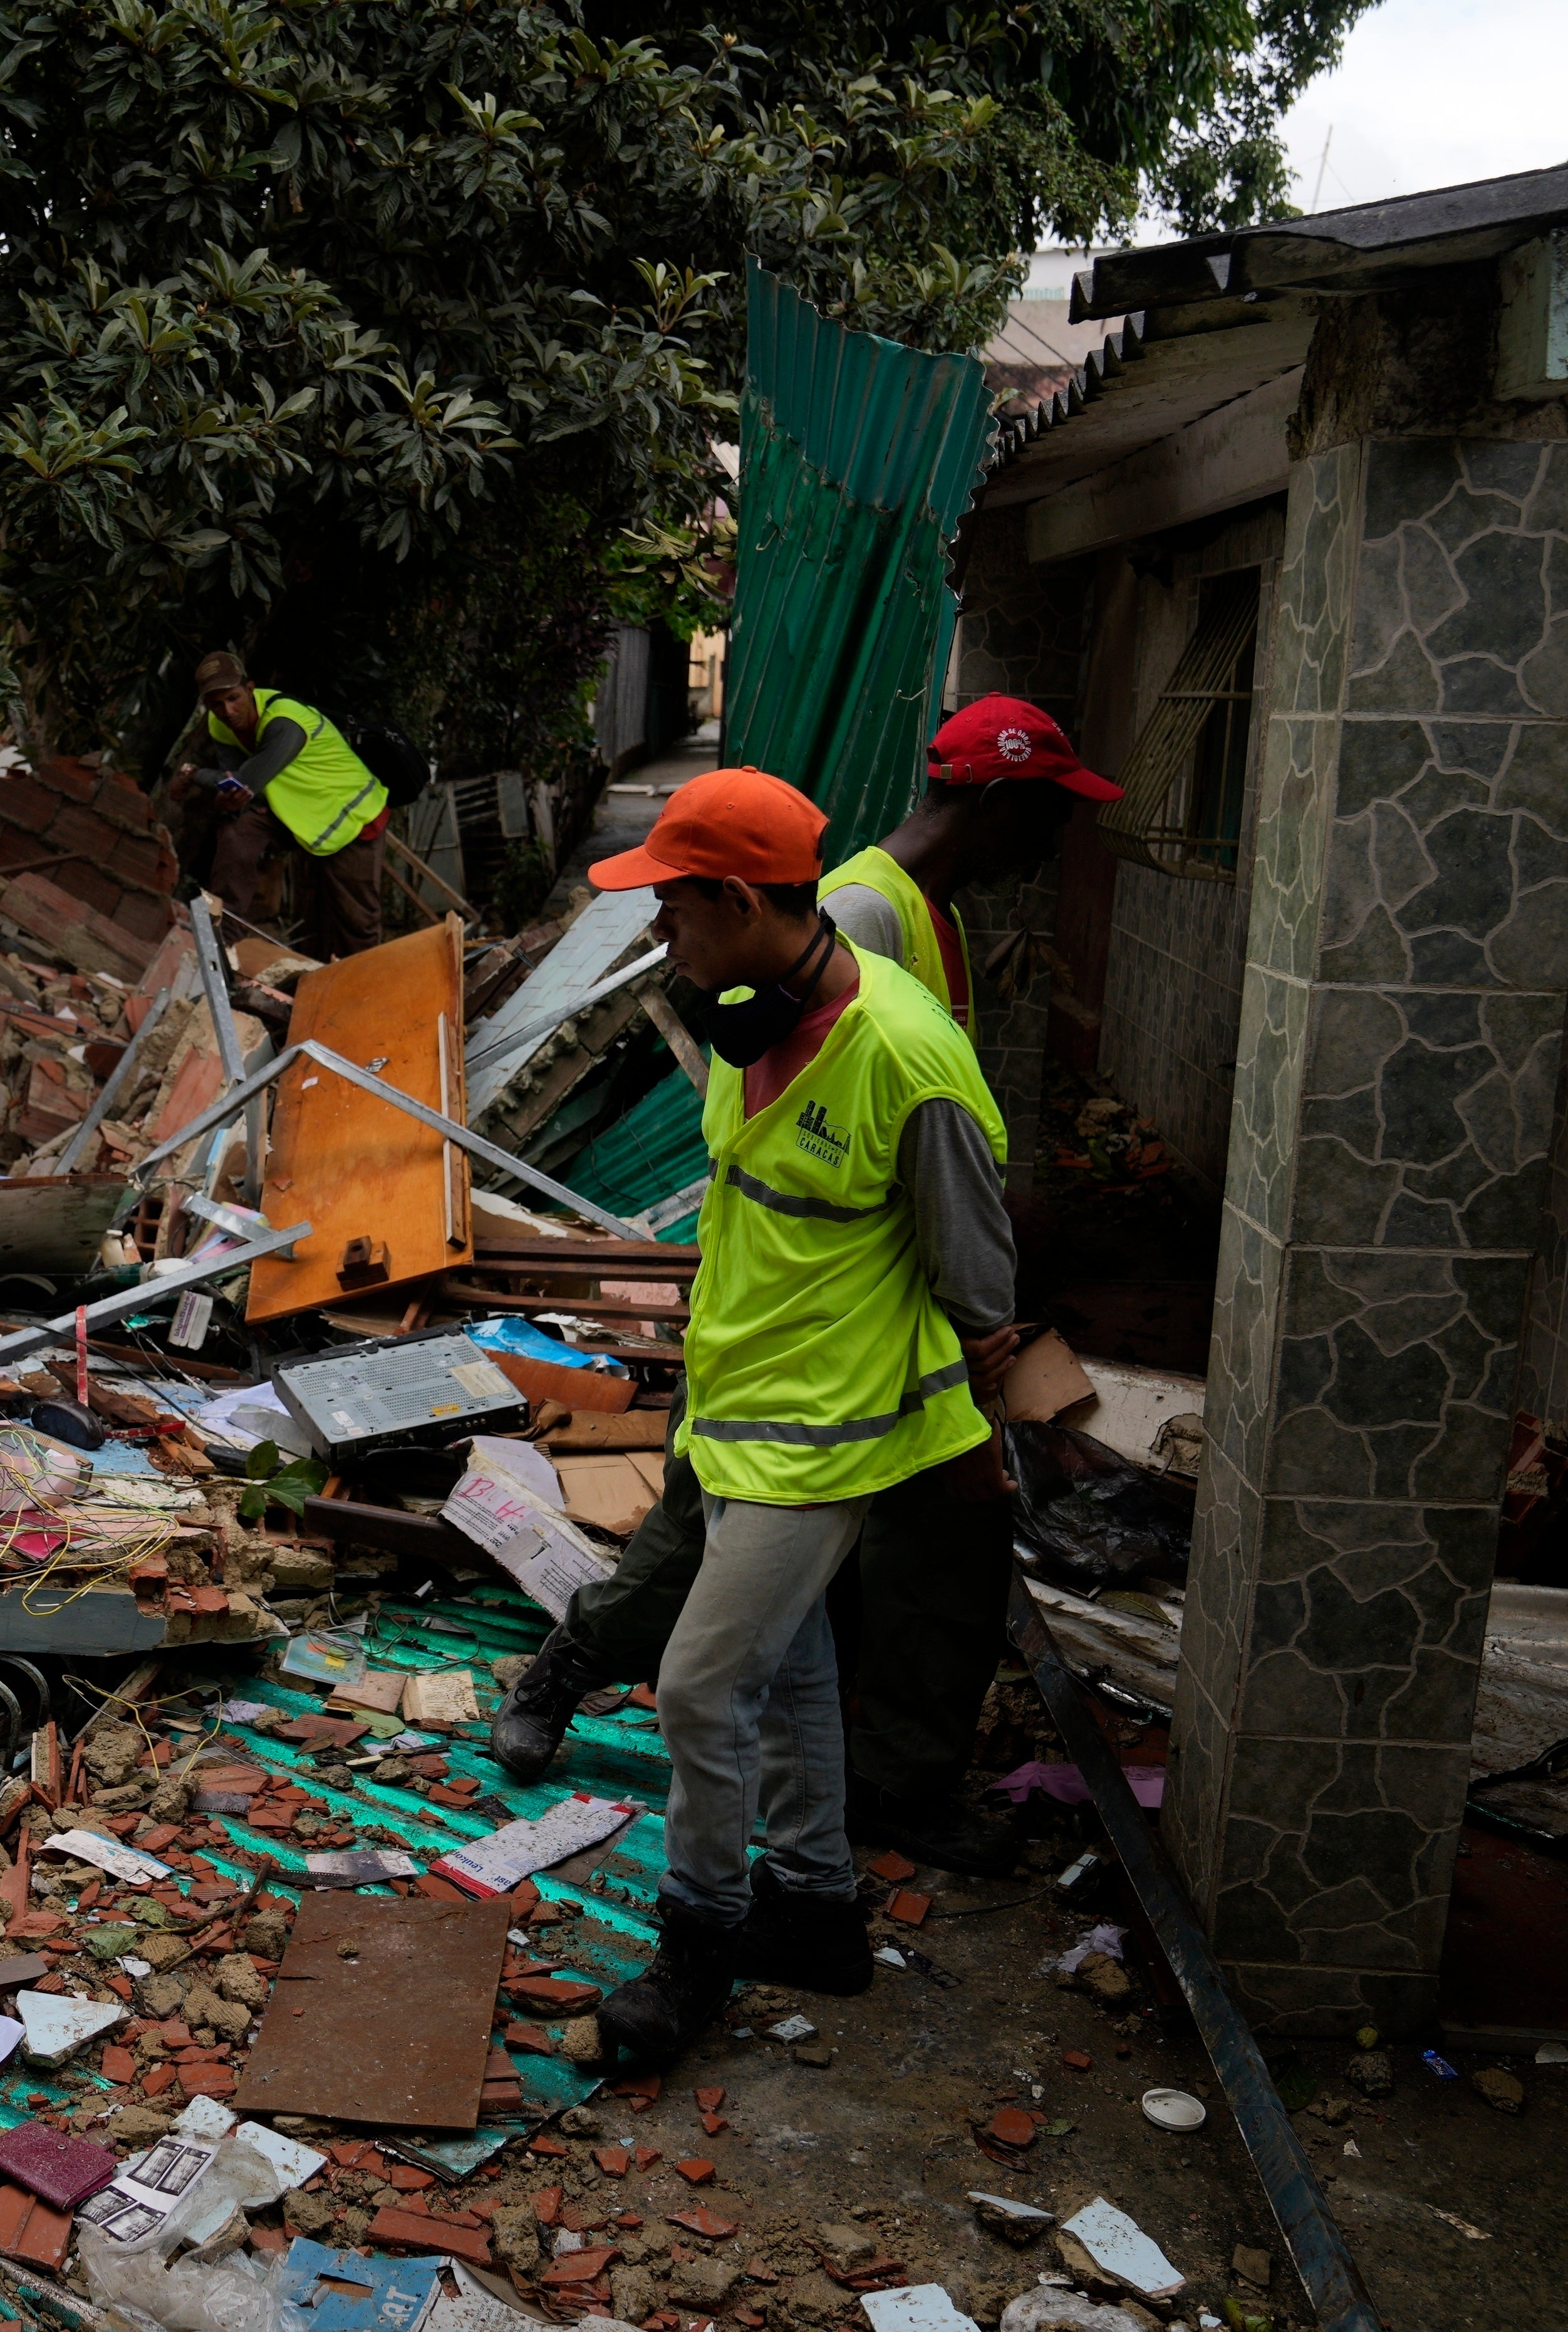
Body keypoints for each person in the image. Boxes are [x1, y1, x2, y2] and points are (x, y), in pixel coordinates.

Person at [492, 699, 1120, 1880]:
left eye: (671, 909)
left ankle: (844, 1839)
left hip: (863, 1356)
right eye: (1049, 813)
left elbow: (917, 1154)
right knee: (708, 1588)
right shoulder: (849, 928)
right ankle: (591, 1680)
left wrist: (973, 1342)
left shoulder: (893, 971)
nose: (661, 938)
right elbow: (801, 1164)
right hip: (775, 1344)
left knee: (873, 1596)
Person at [571, 767, 1019, 2064]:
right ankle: (817, 1911)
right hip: (736, 1404)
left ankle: (699, 1944)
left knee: (700, 1690)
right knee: (793, 1671)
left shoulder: (906, 1057)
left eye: (673, 907)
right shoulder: (747, 1020)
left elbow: (979, 1289)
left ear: (741, 898)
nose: (661, 932)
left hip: (824, 1437)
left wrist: (967, 1444)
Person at [179, 651, 388, 960]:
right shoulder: (218, 724)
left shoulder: (286, 723)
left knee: (357, 923)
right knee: (237, 833)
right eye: (217, 704)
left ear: (250, 689)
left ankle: (368, 982)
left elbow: (244, 781)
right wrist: (228, 797)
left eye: (234, 698)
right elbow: (234, 784)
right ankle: (222, 940)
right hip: (296, 814)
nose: (228, 711)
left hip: (350, 819)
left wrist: (193, 773)